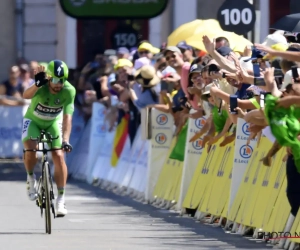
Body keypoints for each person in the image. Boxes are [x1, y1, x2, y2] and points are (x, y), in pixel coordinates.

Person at [22, 60, 76, 217]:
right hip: (33, 121)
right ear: (49, 77)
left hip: (53, 122)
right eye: (55, 80)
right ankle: (30, 177)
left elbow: (67, 118)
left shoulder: (69, 91)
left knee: (59, 155)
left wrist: (65, 140)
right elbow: (25, 95)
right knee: (31, 149)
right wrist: (36, 84)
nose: (58, 84)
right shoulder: (42, 85)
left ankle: (61, 198)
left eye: (62, 80)